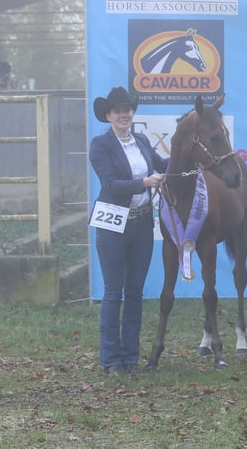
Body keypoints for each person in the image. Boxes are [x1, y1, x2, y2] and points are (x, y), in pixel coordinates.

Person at [89, 86, 167, 375]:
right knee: (113, 292)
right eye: (118, 111)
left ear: (133, 113)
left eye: (128, 110)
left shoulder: (142, 141)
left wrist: (188, 154)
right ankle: (111, 359)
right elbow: (110, 184)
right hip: (113, 223)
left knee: (135, 292)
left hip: (142, 223)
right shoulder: (100, 145)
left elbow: (163, 165)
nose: (124, 115)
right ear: (109, 115)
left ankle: (130, 357)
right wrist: (144, 183)